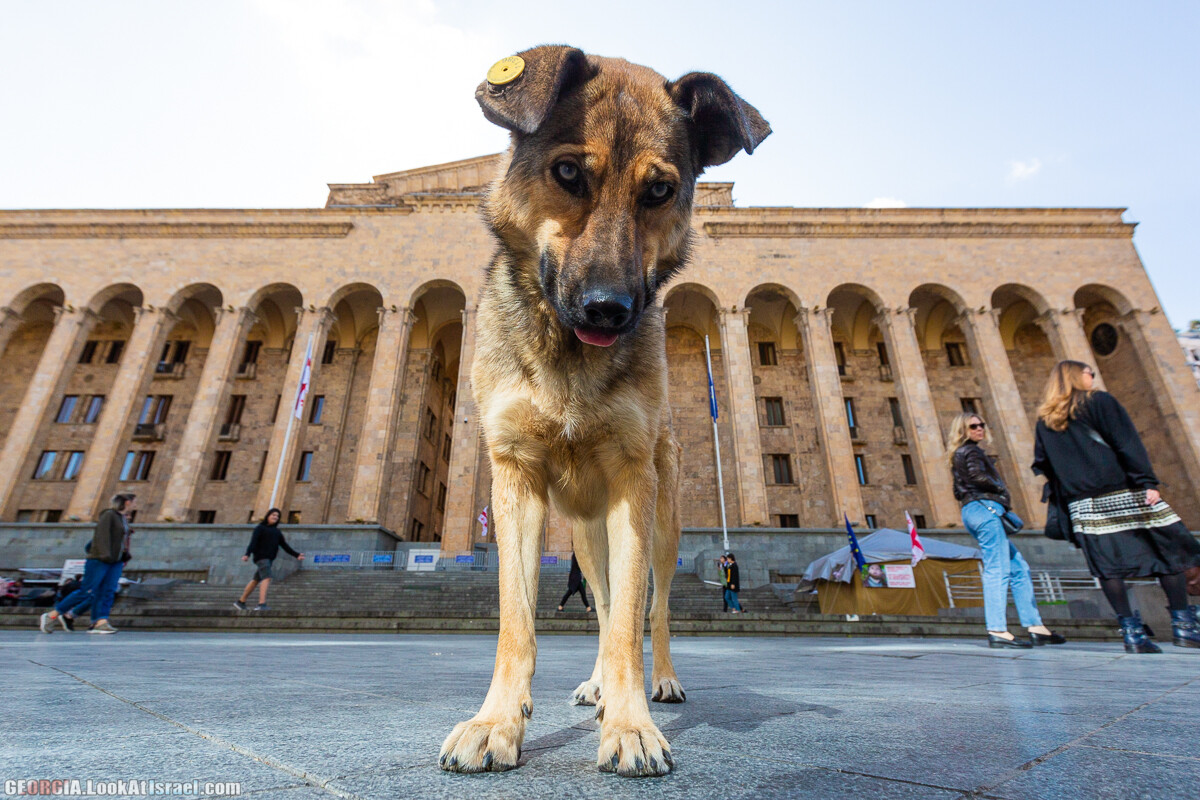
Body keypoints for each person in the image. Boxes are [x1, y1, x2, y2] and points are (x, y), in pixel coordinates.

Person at [1033, 360, 1200, 652]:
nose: (1092, 378)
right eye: (1089, 373)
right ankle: (1184, 627)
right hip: (1124, 492)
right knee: (1168, 554)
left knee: (1108, 569)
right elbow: (1127, 442)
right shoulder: (1099, 401)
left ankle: (1132, 636)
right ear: (1076, 376)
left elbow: (1044, 465)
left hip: (1083, 504)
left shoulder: (1045, 420)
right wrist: (1147, 480)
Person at [949, 414, 1064, 649]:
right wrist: (1000, 487)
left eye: (982, 425)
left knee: (1018, 567)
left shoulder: (961, 454)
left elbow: (958, 488)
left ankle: (1035, 626)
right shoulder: (970, 451)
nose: (980, 429)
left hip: (975, 510)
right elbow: (975, 477)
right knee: (996, 569)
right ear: (963, 430)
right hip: (984, 509)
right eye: (973, 426)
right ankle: (997, 629)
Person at [40, 493, 135, 634]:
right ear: (127, 502)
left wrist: (123, 555)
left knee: (107, 591)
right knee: (87, 591)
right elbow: (101, 537)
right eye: (134, 502)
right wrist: (105, 555)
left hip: (116, 561)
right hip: (100, 559)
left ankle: (100, 622)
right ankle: (51, 615)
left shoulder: (122, 519)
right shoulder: (109, 515)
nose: (135, 505)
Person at [234, 508, 304, 611]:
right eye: (273, 515)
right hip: (261, 557)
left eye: (277, 516)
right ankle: (261, 604)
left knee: (256, 580)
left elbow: (284, 545)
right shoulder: (260, 528)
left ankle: (241, 601)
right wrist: (247, 554)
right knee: (267, 577)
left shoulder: (277, 532)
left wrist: (296, 555)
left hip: (269, 559)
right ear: (268, 516)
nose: (275, 517)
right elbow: (253, 542)